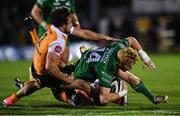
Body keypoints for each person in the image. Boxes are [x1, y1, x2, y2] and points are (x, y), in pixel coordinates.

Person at [3, 7, 117, 107]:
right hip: (45, 72)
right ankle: (101, 99)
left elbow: (83, 33)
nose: (72, 24)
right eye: (70, 22)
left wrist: (105, 38)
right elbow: (50, 67)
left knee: (38, 83)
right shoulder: (58, 40)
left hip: (36, 66)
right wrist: (64, 78)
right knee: (80, 83)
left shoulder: (54, 28)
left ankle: (12, 98)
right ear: (63, 24)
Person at [64, 36, 168, 105]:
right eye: (129, 66)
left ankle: (153, 98)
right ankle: (78, 93)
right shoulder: (105, 70)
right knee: (95, 100)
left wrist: (145, 58)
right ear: (120, 64)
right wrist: (123, 92)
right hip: (81, 73)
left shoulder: (119, 48)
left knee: (132, 78)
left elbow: (131, 40)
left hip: (92, 58)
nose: (131, 68)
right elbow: (103, 99)